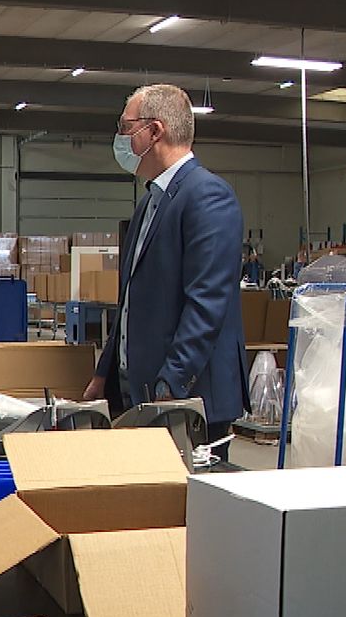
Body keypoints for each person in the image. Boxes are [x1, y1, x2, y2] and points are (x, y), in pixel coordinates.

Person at [83, 84, 249, 459]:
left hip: (187, 401)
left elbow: (206, 303)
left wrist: (171, 387)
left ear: (154, 131)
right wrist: (104, 373)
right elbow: (130, 299)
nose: (120, 139)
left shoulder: (207, 196)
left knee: (189, 495)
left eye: (125, 128)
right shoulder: (150, 203)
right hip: (144, 394)